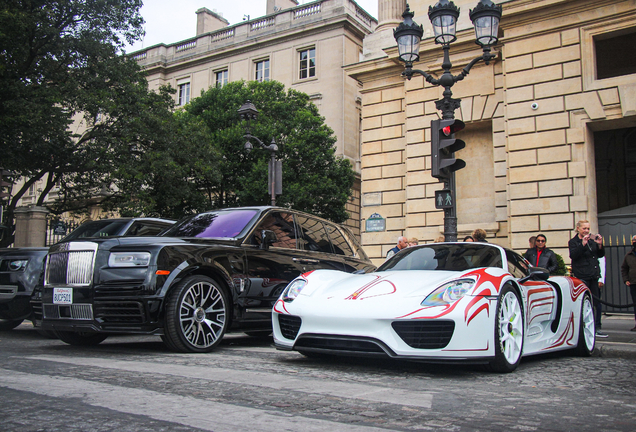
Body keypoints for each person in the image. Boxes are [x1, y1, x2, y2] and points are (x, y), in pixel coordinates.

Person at [569, 220, 607, 338]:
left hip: (593, 275)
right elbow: (574, 255)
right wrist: (583, 245)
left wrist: (600, 244)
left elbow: (599, 255)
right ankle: (584, 326)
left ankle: (597, 326)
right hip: (582, 276)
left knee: (597, 302)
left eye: (588, 229)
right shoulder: (573, 242)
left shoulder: (592, 241)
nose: (586, 231)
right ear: (578, 228)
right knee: (584, 302)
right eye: (584, 228)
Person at [620, 235, 636, 331]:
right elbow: (624, 268)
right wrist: (626, 280)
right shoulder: (629, 255)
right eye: (634, 240)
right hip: (634, 283)